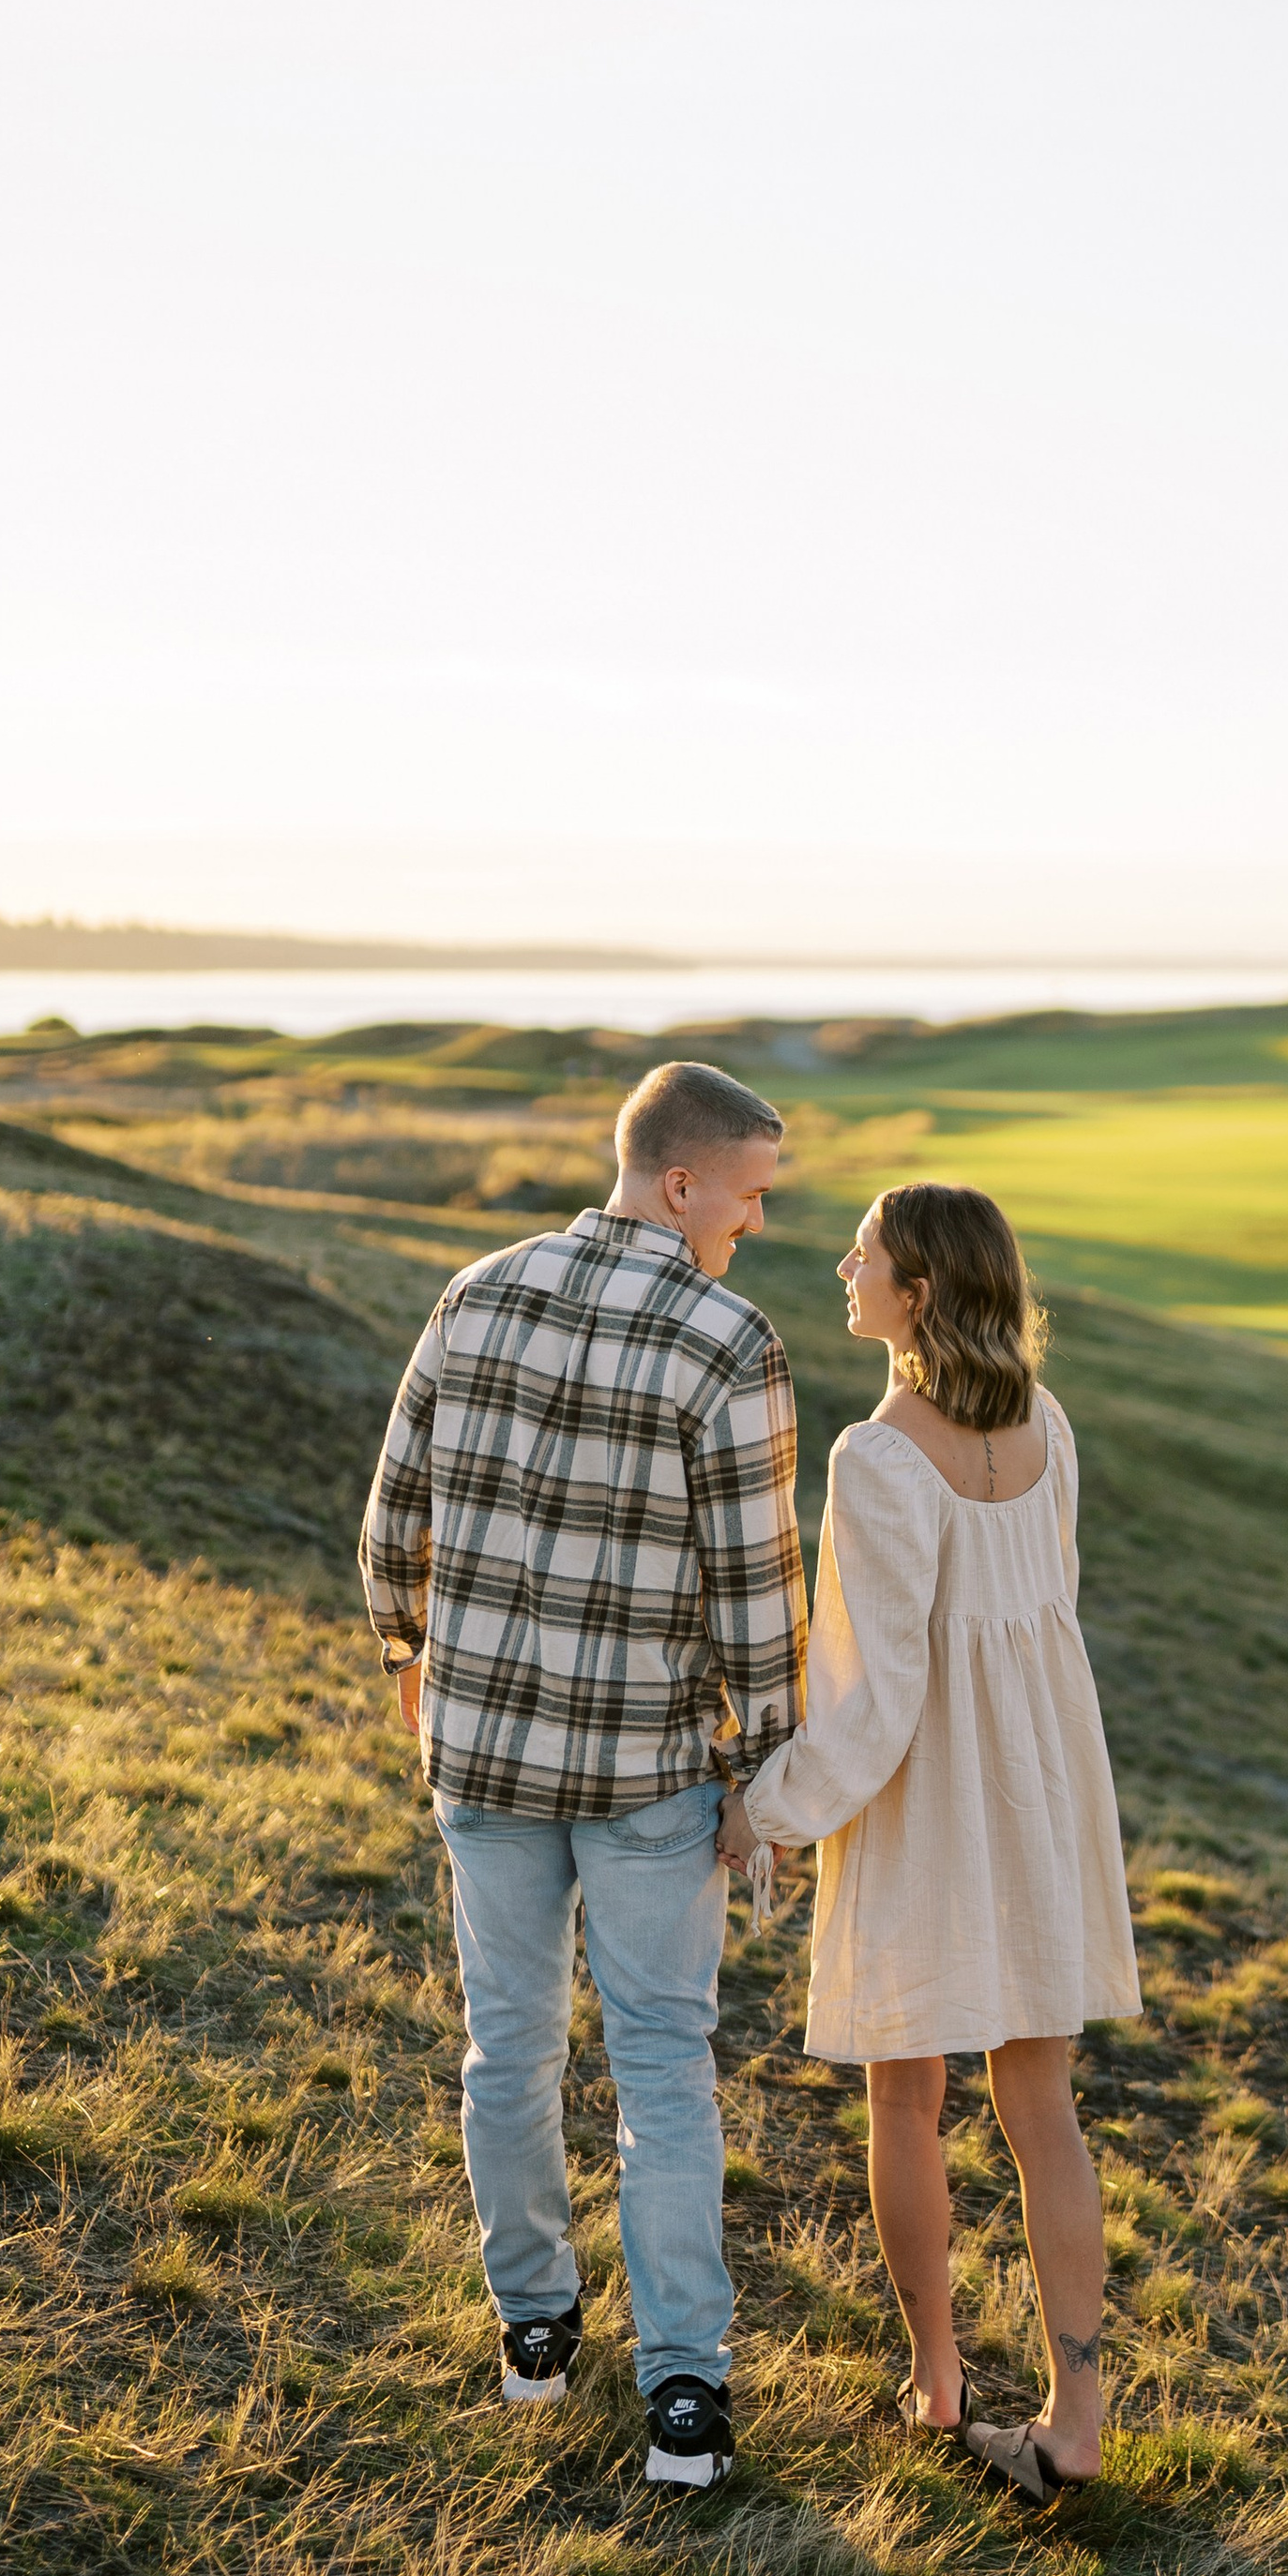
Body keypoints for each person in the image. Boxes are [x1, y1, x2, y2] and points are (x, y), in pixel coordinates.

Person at [359, 1058, 804, 2497]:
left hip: (479, 1750)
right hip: (644, 1778)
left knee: (511, 2045)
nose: (753, 1225)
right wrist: (764, 1773)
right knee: (665, 2065)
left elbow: (390, 1523)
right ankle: (684, 2389)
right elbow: (756, 1592)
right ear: (680, 1183)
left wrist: (408, 1652)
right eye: (747, 1196)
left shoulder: (472, 1291)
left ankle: (535, 2332)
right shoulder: (730, 1340)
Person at [722, 1183, 1140, 2503]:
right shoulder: (1046, 1422)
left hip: (926, 1798)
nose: (844, 1263)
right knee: (1044, 2111)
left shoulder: (876, 1457)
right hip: (1042, 1783)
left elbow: (878, 1692)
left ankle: (939, 2376)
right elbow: (1044, 1607)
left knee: (906, 2098)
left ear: (919, 1293)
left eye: (870, 1253)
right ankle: (1075, 2420)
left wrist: (767, 1808)